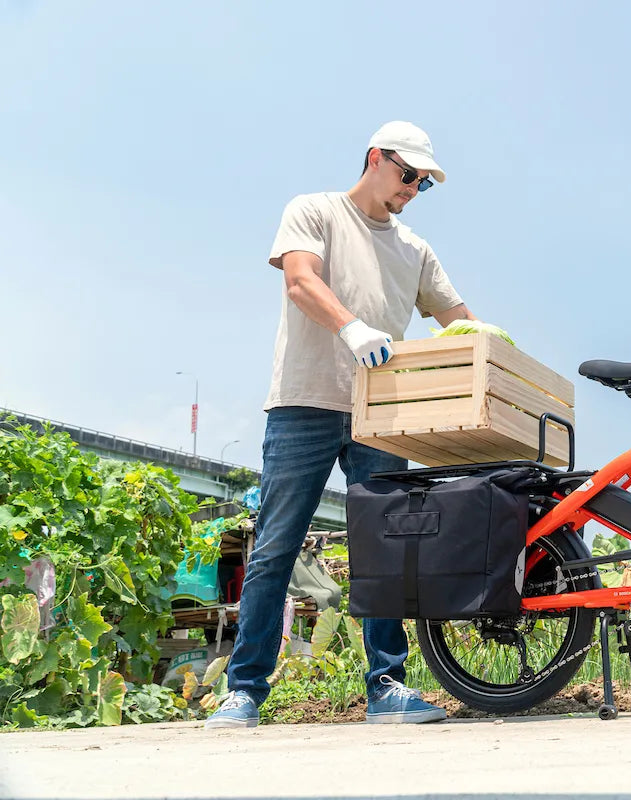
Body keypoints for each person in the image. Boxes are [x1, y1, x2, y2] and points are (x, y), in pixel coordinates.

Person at [206, 121, 475, 728]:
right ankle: (244, 689)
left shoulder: (415, 250)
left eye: (423, 184)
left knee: (387, 551)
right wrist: (352, 328)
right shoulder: (316, 211)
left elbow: (458, 321)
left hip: (381, 415)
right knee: (275, 547)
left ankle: (387, 687)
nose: (412, 189)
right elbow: (301, 280)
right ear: (376, 158)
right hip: (305, 402)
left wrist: (490, 353)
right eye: (407, 175)